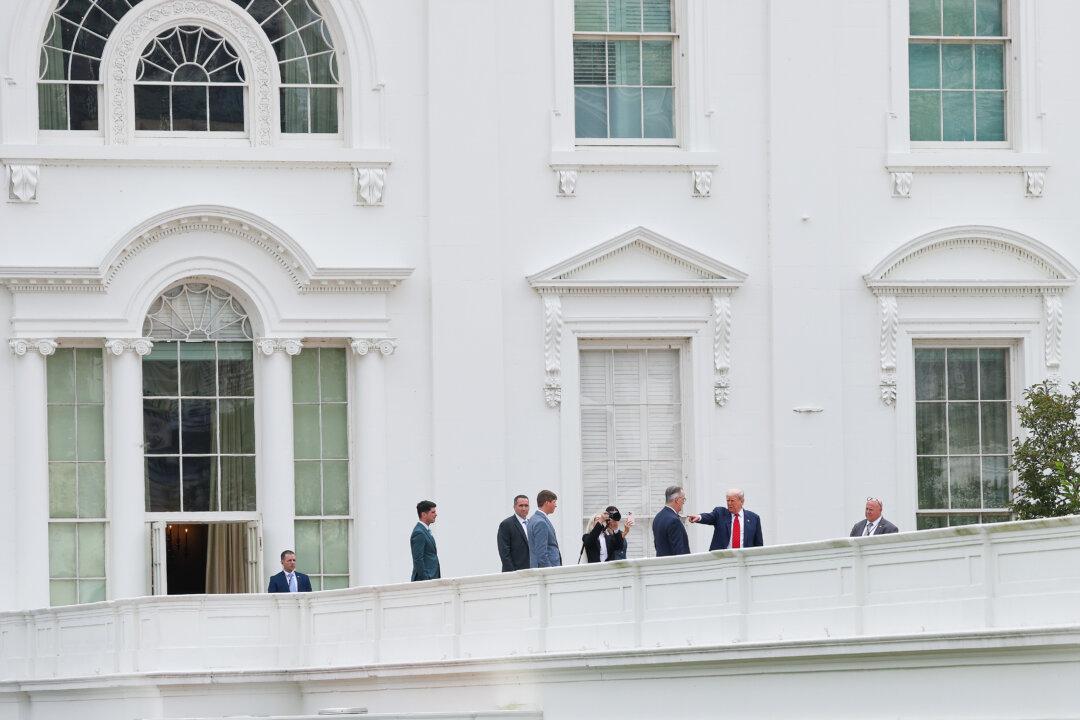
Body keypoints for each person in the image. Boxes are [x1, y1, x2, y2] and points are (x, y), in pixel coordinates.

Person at [689, 488, 764, 550]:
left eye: (732, 501)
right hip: (722, 559)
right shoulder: (720, 513)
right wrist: (699, 517)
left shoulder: (754, 518)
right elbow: (709, 517)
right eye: (728, 500)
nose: (729, 503)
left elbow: (758, 545)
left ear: (741, 501)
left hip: (744, 560)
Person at [497, 494, 532, 571]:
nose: (524, 508)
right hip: (515, 572)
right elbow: (504, 553)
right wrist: (512, 573)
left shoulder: (531, 524)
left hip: (531, 571)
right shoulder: (506, 524)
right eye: (521, 505)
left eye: (526, 506)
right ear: (514, 507)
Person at [653, 486, 690, 557]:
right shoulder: (674, 521)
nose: (683, 503)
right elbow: (680, 552)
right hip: (675, 566)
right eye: (683, 499)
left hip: (662, 564)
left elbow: (657, 546)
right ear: (677, 500)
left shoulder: (658, 517)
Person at [528, 489, 562, 568]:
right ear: (547, 502)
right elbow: (541, 553)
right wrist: (549, 570)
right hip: (547, 571)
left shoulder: (533, 519)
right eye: (554, 502)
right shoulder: (541, 522)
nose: (555, 505)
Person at [410, 500, 441, 581]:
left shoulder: (424, 530)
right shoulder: (419, 533)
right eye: (433, 512)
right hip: (425, 581)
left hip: (433, 578)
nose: (436, 514)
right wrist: (426, 580)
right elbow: (418, 560)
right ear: (424, 514)